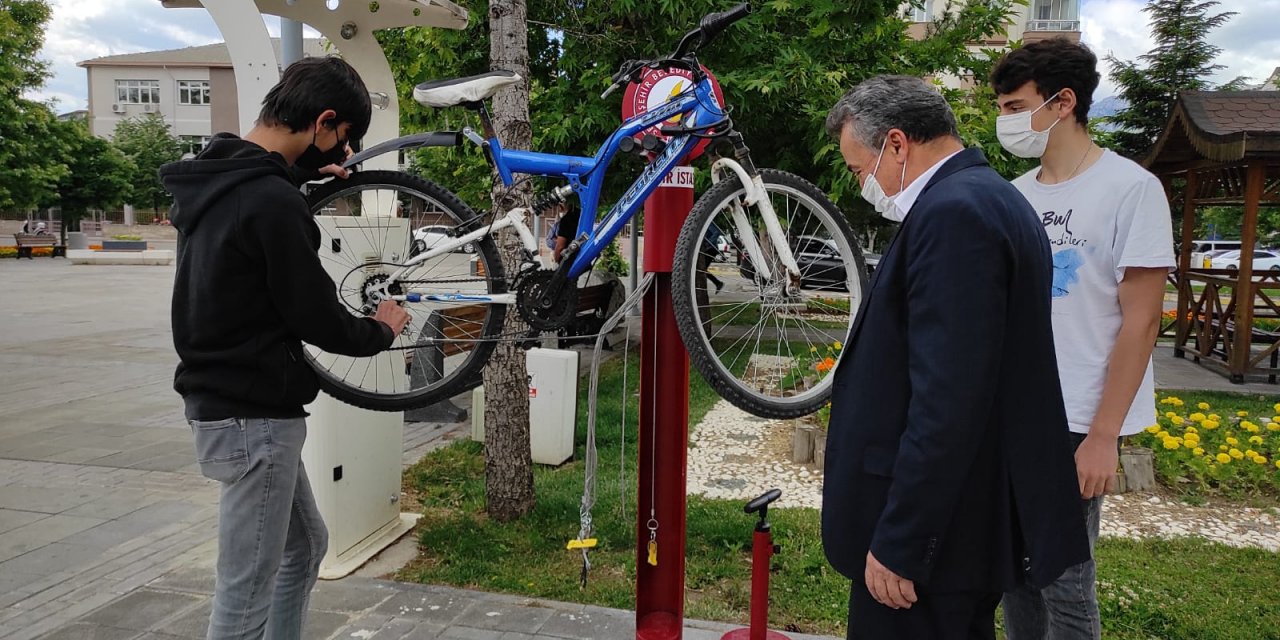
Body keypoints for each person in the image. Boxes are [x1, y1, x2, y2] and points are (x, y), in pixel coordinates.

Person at [820, 75, 1089, 640]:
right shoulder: (991, 197)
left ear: (896, 144)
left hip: (933, 544)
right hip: (958, 524)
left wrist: (903, 539)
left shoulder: (955, 214)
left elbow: (949, 399)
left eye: (856, 168)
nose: (860, 184)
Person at [160, 56, 410, 640]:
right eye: (341, 139)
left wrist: (306, 178)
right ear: (323, 121)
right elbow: (315, 315)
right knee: (244, 597)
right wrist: (381, 329)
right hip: (254, 418)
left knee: (306, 548)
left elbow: (257, 202)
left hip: (235, 407)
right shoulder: (269, 201)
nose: (340, 153)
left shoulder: (219, 176)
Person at [990, 38, 1175, 640]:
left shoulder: (1131, 189)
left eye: (1016, 106)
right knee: (1015, 572)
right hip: (1012, 411)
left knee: (1065, 579)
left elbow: (1142, 321)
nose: (1005, 121)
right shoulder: (1013, 196)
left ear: (1063, 102)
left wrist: (1103, 436)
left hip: (1077, 417)